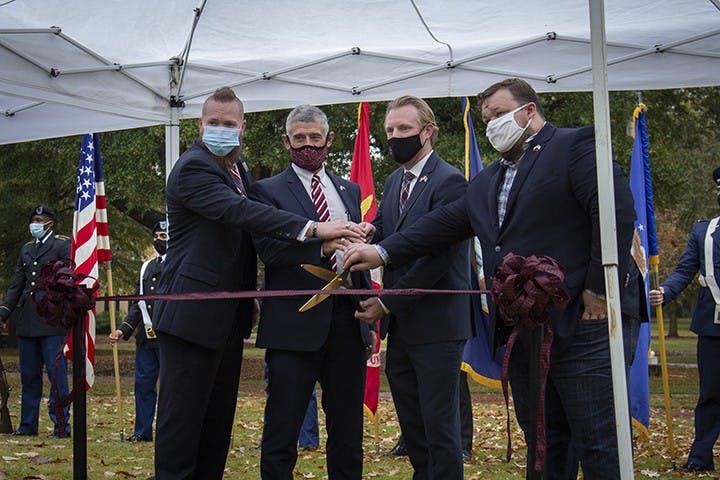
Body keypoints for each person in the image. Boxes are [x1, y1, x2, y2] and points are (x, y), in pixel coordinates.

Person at [344, 78, 641, 479]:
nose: (492, 124)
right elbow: (441, 225)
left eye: (500, 114)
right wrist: (380, 250)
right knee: (542, 439)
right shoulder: (487, 180)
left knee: (597, 439)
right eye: (487, 118)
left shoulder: (576, 147)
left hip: (585, 323)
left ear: (529, 110)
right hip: (526, 328)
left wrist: (596, 289)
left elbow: (615, 214)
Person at [151, 87, 364, 480]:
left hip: (228, 319)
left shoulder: (238, 169)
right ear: (199, 124)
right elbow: (241, 212)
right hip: (191, 317)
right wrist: (314, 229)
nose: (220, 130)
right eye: (213, 123)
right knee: (181, 435)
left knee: (214, 433)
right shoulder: (195, 166)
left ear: (242, 128)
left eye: (228, 124)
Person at [250, 104, 374, 479]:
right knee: (282, 430)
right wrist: (319, 245)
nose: (307, 145)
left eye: (314, 138)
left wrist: (366, 310)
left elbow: (357, 255)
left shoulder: (350, 190)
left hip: (347, 324)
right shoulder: (266, 191)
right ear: (286, 141)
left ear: (329, 140)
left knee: (348, 432)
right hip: (293, 324)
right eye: (299, 138)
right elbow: (267, 250)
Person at [353, 95, 472, 479]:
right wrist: (372, 230)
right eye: (389, 130)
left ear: (428, 131)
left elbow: (437, 255)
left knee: (440, 430)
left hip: (437, 326)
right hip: (403, 327)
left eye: (404, 129)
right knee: (414, 428)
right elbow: (398, 229)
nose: (394, 137)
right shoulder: (395, 179)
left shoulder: (450, 181)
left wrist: (387, 303)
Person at [649, 166, 720, 472]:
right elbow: (685, 269)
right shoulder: (703, 231)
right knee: (710, 395)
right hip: (712, 325)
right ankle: (700, 458)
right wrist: (666, 290)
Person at [0, 205, 71, 437]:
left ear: (50, 223)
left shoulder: (62, 245)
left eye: (39, 220)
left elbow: (68, 280)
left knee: (56, 374)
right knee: (29, 376)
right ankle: (28, 425)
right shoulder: (27, 249)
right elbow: (16, 285)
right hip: (28, 320)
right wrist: (3, 312)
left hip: (52, 320)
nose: (35, 224)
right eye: (33, 220)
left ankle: (61, 425)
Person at [108, 220, 168, 443]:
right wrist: (123, 330)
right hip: (146, 338)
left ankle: (167, 433)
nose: (162, 240)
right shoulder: (146, 267)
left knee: (170, 390)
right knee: (143, 385)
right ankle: (142, 432)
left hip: (169, 336)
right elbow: (137, 303)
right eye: (159, 236)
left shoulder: (179, 264)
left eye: (166, 235)